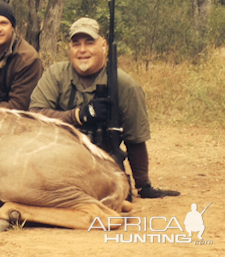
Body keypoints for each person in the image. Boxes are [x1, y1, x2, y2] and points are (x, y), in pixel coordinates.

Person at [29, 17, 180, 199]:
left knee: (115, 194)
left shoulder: (126, 86)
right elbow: (35, 116)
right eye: (76, 44)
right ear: (69, 48)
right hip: (60, 160)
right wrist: (78, 115)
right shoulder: (55, 75)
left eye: (90, 43)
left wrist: (143, 184)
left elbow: (135, 139)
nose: (82, 50)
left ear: (104, 46)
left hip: (103, 162)